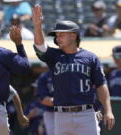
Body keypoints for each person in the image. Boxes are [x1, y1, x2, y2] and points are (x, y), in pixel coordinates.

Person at [32, 5, 115, 135]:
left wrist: (108, 110)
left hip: (86, 114)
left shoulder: (90, 57)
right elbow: (40, 46)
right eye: (57, 35)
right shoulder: (54, 56)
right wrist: (37, 26)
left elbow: (101, 85)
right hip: (60, 115)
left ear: (73, 36)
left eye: (61, 35)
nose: (57, 38)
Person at [37, 71, 54, 135]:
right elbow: (43, 99)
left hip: (68, 112)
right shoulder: (44, 76)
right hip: (51, 112)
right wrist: (62, 101)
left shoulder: (68, 73)